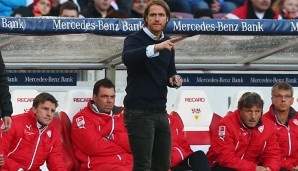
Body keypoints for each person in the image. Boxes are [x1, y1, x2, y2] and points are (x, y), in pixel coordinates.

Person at [122, 0, 183, 170]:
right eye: (153, 15)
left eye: (161, 15)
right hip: (138, 112)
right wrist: (156, 47)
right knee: (143, 165)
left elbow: (170, 71)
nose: (157, 18)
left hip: (160, 111)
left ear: (167, 19)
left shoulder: (168, 42)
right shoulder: (134, 39)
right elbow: (127, 58)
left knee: (163, 164)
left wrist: (174, 80)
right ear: (146, 18)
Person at [207, 92, 282, 171]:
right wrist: (254, 168)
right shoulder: (226, 124)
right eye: (249, 111)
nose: (253, 116)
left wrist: (269, 168)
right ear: (240, 111)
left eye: (257, 111)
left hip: (253, 167)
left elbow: (273, 155)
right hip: (223, 166)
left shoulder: (268, 126)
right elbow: (225, 158)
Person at [71, 78, 132, 171]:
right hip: (100, 166)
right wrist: (123, 148)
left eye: (112, 97)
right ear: (95, 98)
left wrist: (112, 138)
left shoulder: (122, 115)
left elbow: (135, 144)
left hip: (129, 164)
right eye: (104, 96)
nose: (109, 101)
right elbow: (93, 147)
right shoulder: (82, 118)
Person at [0, 92, 66, 171]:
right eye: (45, 109)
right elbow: (1, 153)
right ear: (34, 109)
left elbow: (56, 160)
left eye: (52, 111)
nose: (49, 114)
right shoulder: (14, 123)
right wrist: (18, 169)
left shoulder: (54, 134)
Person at [263, 81, 298, 171]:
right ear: (272, 99)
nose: (283, 100)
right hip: (276, 166)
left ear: (292, 100)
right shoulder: (263, 121)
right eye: (279, 96)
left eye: (287, 96)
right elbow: (267, 154)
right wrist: (291, 167)